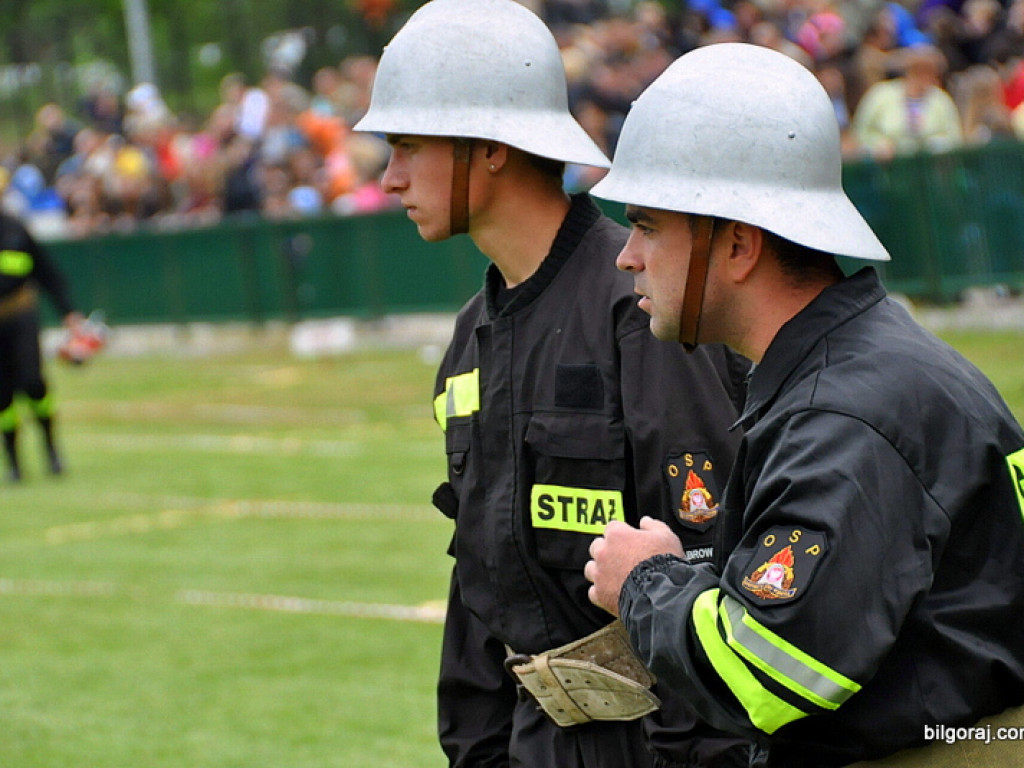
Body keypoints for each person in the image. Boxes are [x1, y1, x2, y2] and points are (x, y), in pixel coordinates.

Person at [583, 42, 1024, 767]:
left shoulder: (844, 416)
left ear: (738, 245)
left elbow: (767, 676)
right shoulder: (864, 368)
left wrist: (644, 581)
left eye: (649, 224)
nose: (627, 254)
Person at [353, 1, 751, 766]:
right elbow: (482, 584)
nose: (390, 176)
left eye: (406, 145)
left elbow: (710, 571)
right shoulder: (470, 340)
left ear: (489, 148)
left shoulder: (645, 311)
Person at [0, 212, 82, 481]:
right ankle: (14, 463)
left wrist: (67, 311)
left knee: (33, 382)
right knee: (2, 395)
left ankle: (51, 450)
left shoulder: (14, 229)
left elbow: (45, 270)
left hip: (20, 315)